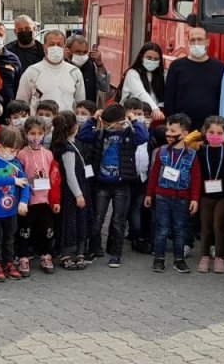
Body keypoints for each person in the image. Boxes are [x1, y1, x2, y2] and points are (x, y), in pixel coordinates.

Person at [78, 103, 150, 268]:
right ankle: (94, 249)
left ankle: (116, 254)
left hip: (121, 185)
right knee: (97, 219)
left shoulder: (129, 134)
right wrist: (93, 118)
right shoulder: (101, 134)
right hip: (102, 184)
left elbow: (143, 137)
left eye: (112, 124)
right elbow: (83, 135)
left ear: (121, 122)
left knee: (118, 221)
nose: (110, 127)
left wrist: (133, 120)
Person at [144, 114, 201, 274]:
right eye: (167, 130)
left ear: (183, 134)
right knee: (162, 229)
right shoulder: (162, 152)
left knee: (180, 229)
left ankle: (179, 259)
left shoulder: (192, 155)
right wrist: (149, 194)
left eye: (172, 130)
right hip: (162, 196)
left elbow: (196, 179)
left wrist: (195, 199)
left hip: (182, 198)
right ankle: (159, 258)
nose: (168, 133)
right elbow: (154, 174)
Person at [195, 116, 224, 274]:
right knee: (206, 227)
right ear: (205, 132)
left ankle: (219, 257)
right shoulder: (200, 152)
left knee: (219, 227)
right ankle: (204, 256)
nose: (215, 135)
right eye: (211, 132)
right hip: (205, 195)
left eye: (219, 132)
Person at [0, 126, 30, 282]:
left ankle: (8, 262)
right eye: (11, 150)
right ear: (1, 147)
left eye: (16, 151)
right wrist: (12, 179)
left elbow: (25, 184)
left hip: (11, 212)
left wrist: (23, 201)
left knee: (9, 238)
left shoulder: (15, 163)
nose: (14, 154)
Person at [16, 117, 60, 276]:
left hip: (45, 200)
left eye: (40, 133)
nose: (36, 137)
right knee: (25, 230)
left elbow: (54, 179)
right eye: (32, 133)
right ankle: (23, 257)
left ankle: (45, 256)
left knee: (47, 229)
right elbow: (17, 176)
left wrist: (55, 200)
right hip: (28, 201)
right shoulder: (21, 154)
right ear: (26, 133)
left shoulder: (48, 154)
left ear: (45, 133)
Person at [164, 28, 224, 130]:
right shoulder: (176, 66)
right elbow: (169, 98)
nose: (196, 43)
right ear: (188, 42)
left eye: (200, 39)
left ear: (207, 42)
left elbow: (222, 99)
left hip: (210, 128)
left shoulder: (220, 68)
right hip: (182, 127)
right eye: (192, 40)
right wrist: (171, 124)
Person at [52, 112, 91, 271]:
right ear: (74, 126)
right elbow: (70, 174)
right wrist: (78, 194)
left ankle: (80, 252)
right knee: (71, 222)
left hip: (78, 188)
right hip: (72, 191)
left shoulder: (71, 143)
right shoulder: (67, 149)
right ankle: (67, 253)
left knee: (80, 220)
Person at [16, 30, 85, 112]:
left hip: (67, 124)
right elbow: (21, 104)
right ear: (44, 47)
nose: (56, 47)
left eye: (59, 44)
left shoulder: (74, 72)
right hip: (39, 124)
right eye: (51, 44)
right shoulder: (32, 72)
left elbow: (80, 103)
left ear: (64, 48)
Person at [120, 43, 167, 121]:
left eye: (156, 59)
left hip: (151, 118)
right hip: (132, 118)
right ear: (141, 57)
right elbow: (140, 93)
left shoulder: (162, 75)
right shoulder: (132, 73)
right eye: (149, 58)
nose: (152, 61)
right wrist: (155, 109)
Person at [66, 35, 109, 107]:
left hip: (88, 110)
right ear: (68, 50)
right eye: (78, 52)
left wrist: (99, 64)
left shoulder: (91, 64)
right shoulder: (63, 66)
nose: (81, 55)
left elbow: (104, 87)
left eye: (84, 52)